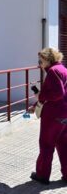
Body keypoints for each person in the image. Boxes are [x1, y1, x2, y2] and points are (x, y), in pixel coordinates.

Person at [29, 47, 67, 185]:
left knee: (46, 144)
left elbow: (57, 94)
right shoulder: (63, 69)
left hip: (53, 115)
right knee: (64, 145)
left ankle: (42, 175)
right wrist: (36, 106)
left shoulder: (53, 71)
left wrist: (41, 95)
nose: (39, 64)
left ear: (47, 59)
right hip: (64, 113)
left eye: (41, 61)